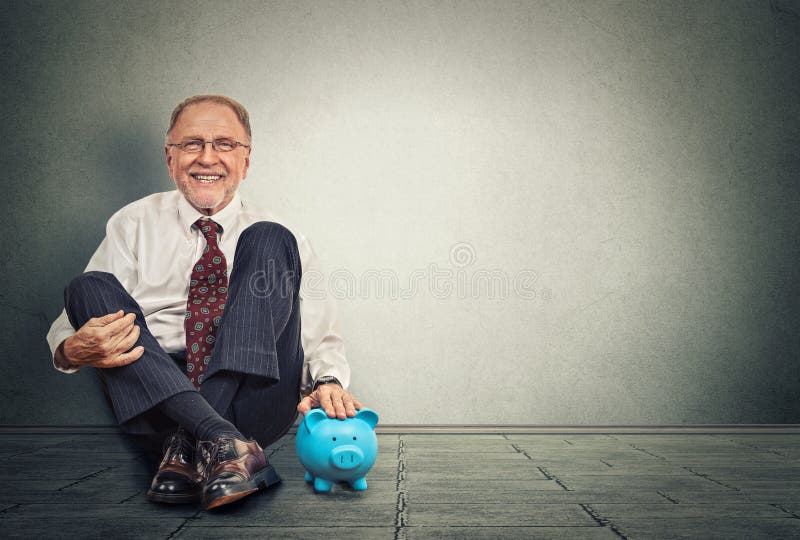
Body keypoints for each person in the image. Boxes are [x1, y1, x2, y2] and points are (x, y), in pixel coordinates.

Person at [46, 94, 363, 510]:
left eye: (224, 144)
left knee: (269, 237)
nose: (207, 158)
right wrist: (71, 349)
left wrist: (327, 382)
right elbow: (73, 325)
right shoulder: (133, 221)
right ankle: (223, 443)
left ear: (246, 161)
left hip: (256, 396)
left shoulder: (282, 235)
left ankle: (188, 447)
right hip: (159, 394)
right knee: (86, 287)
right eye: (192, 144)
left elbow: (319, 332)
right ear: (170, 157)